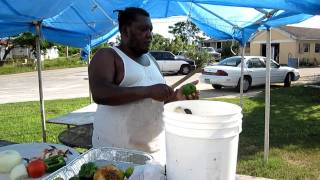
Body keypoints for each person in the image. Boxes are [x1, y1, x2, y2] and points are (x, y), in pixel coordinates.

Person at [88, 7, 198, 163]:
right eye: (143, 29)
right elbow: (100, 93)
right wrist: (148, 91)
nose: (149, 35)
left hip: (153, 154)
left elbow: (155, 99)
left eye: (151, 29)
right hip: (115, 154)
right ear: (126, 31)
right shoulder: (108, 55)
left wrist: (175, 97)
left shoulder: (151, 60)